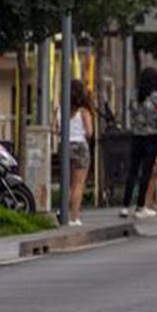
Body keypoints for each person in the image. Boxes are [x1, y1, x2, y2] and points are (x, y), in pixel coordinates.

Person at [121, 67, 157, 219]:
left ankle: (125, 206)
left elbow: (131, 114)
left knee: (132, 171)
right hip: (151, 138)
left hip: (136, 137)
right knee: (145, 173)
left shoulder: (134, 95)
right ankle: (140, 207)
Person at [64, 80, 94, 227]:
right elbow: (89, 132)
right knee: (78, 184)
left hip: (64, 146)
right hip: (80, 147)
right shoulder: (83, 112)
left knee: (67, 183)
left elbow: (56, 128)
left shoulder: (61, 110)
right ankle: (74, 217)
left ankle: (63, 213)